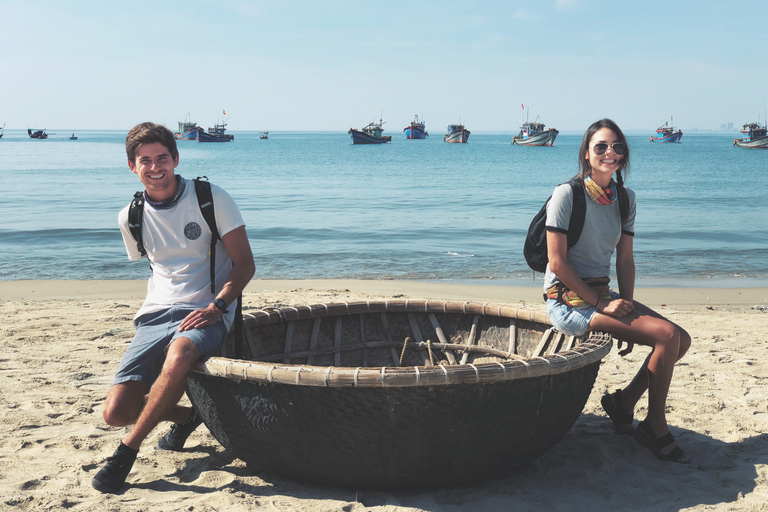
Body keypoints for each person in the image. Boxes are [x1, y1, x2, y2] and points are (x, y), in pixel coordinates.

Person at [92, 122, 255, 493]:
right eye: (145, 160)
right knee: (115, 412)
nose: (155, 167)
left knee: (181, 353)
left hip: (208, 308)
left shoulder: (211, 198)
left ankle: (125, 454)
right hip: (155, 313)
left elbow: (245, 265)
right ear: (132, 166)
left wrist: (217, 306)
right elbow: (161, 267)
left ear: (176, 159)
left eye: (162, 158)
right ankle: (193, 415)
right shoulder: (129, 217)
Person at [544, 118, 691, 464]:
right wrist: (602, 306)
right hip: (567, 299)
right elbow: (557, 264)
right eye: (601, 147)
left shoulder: (625, 199)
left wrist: (625, 304)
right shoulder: (567, 194)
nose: (610, 153)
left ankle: (623, 402)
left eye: (617, 147)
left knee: (680, 339)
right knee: (667, 336)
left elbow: (625, 260)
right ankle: (654, 426)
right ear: (585, 154)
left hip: (601, 296)